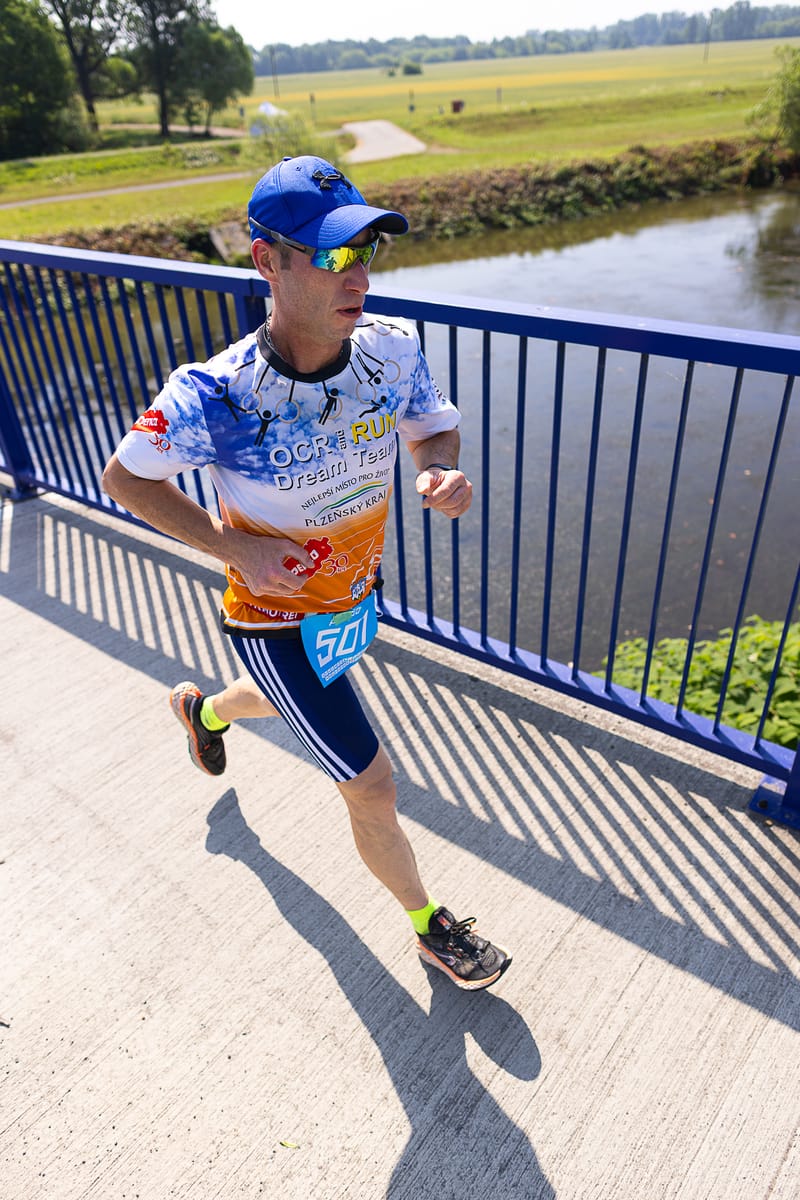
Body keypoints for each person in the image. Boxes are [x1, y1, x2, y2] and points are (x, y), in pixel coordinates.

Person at [102, 155, 511, 991]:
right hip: (271, 618)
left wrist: (439, 469)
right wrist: (236, 547)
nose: (354, 276)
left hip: (350, 600)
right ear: (267, 262)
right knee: (371, 785)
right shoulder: (214, 393)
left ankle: (202, 711)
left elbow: (432, 427)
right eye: (328, 255)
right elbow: (124, 478)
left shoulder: (392, 351)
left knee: (292, 704)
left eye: (365, 252)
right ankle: (431, 926)